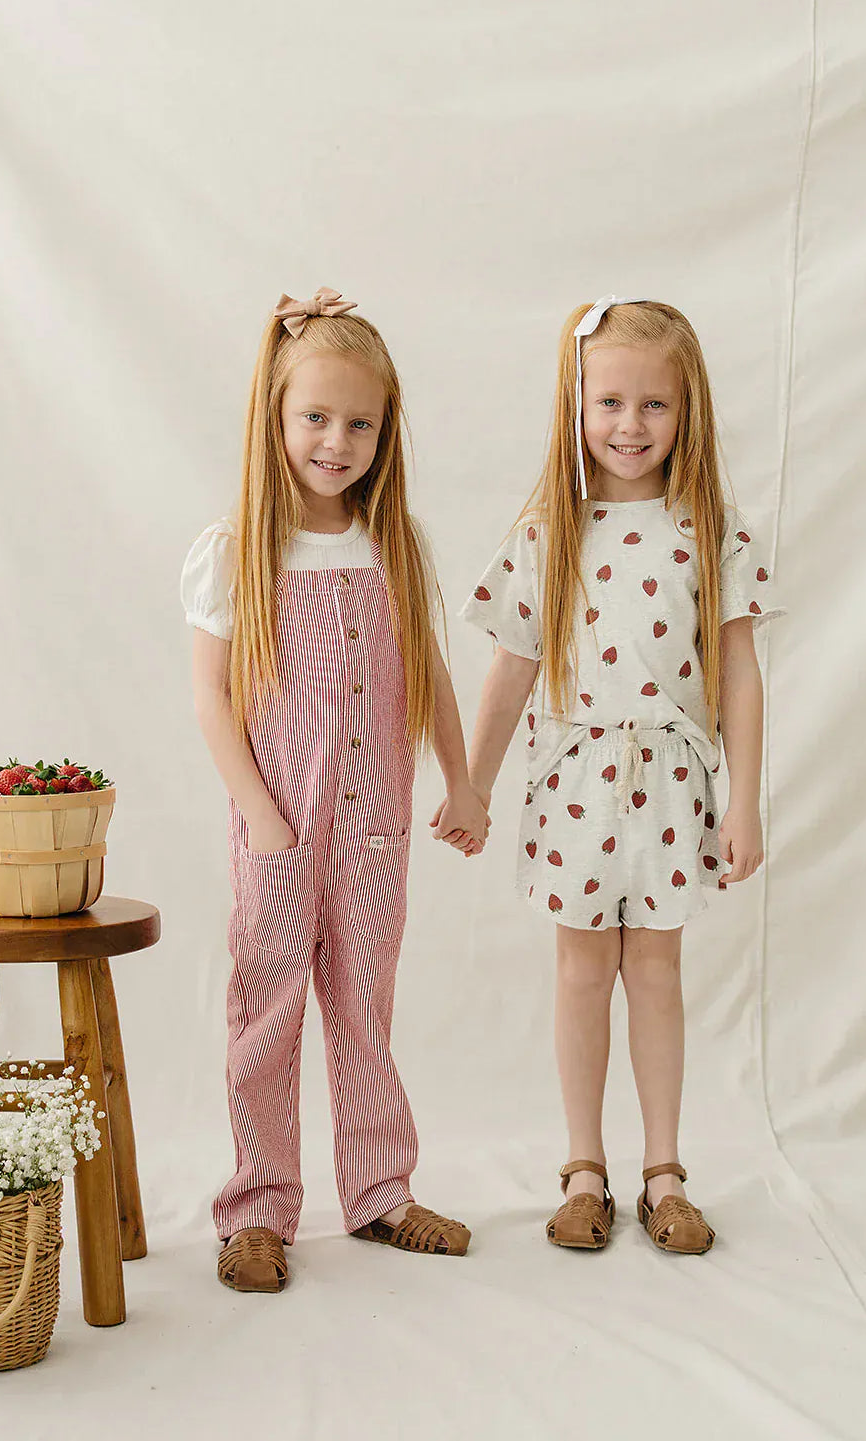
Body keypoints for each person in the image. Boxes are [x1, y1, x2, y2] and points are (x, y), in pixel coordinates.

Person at [458, 296, 785, 1254]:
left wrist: (743, 800)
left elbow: (737, 673)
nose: (629, 425)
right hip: (574, 781)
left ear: (687, 411)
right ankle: (582, 1169)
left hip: (672, 785)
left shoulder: (709, 530)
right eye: (608, 402)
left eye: (653, 404)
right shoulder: (548, 531)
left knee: (656, 970)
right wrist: (472, 784)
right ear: (576, 406)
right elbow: (510, 669)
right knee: (579, 969)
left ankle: (664, 1171)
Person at [182, 288, 488, 1292]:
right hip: (277, 826)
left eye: (360, 423)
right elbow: (210, 698)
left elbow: (431, 672)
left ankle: (380, 1192)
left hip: (375, 829)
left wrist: (463, 781)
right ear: (274, 417)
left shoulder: (394, 544)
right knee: (266, 1011)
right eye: (314, 417)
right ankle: (256, 1208)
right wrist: (261, 818)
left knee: (365, 1002)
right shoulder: (236, 549)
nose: (336, 441)